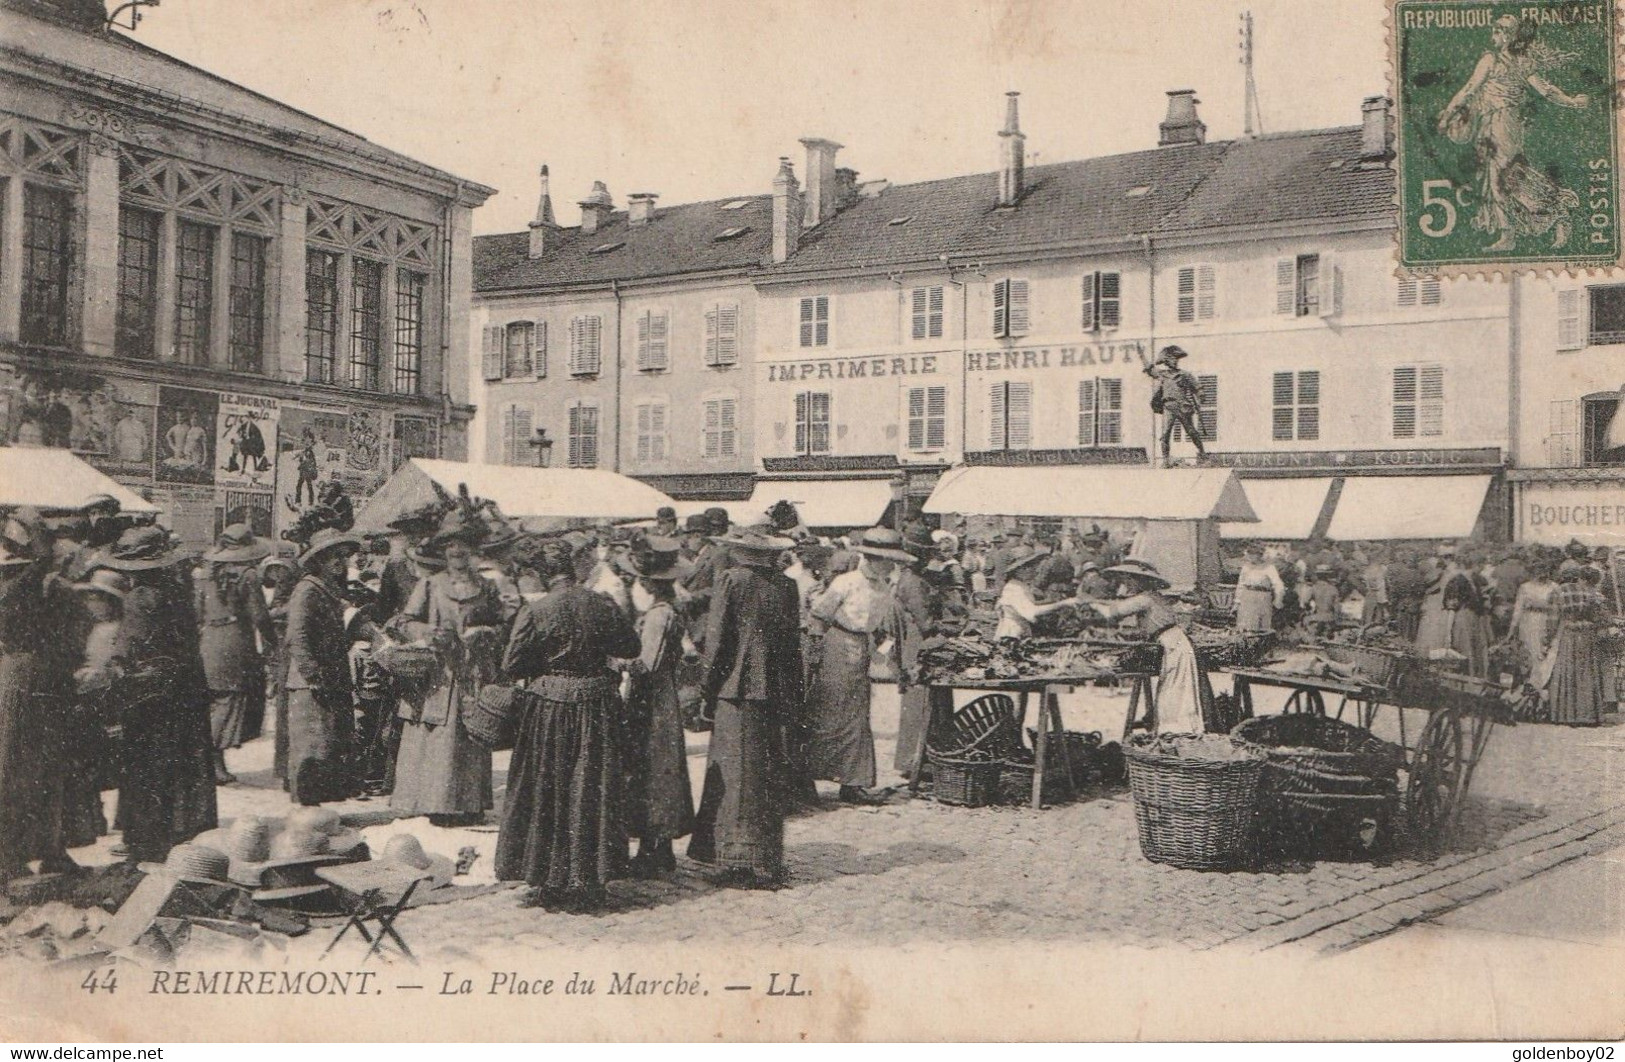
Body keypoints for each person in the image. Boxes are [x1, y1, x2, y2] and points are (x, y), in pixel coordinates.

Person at [499, 537, 641, 910]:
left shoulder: (536, 609)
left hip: (550, 707)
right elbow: (630, 647)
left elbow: (512, 664)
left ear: (545, 574)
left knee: (549, 787)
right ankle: (590, 877)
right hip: (597, 705)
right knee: (593, 785)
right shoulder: (602, 604)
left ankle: (550, 877)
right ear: (575, 569)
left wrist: (546, 669)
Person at [93, 525, 217, 863]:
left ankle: (145, 838)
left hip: (150, 693)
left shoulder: (139, 599)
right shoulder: (177, 591)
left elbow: (128, 649)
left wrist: (113, 669)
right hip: (184, 687)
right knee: (179, 763)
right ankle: (178, 830)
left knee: (145, 765)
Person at [687, 529, 803, 888]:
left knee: (735, 772)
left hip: (736, 689)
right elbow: (791, 643)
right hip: (775, 688)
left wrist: (704, 687)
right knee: (767, 774)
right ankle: (767, 857)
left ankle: (735, 860)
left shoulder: (731, 580)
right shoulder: (786, 586)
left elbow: (719, 638)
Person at [1437, 13, 1588, 253]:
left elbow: (1468, 89)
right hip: (1501, 124)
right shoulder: (1522, 61)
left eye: (1497, 32)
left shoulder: (1491, 59)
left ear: (1507, 36)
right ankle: (1511, 233)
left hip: (1500, 123)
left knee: (1504, 178)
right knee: (1502, 177)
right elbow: (1547, 91)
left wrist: (1447, 115)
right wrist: (1572, 101)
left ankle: (1555, 211)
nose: (1493, 37)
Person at [388, 514, 503, 826]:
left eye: (463, 545)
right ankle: (434, 803)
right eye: (451, 546)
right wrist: (427, 632)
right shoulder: (430, 584)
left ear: (473, 551)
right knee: (437, 737)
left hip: (473, 671)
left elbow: (502, 624)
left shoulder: (487, 587)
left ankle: (470, 803)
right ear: (444, 551)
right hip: (438, 674)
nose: (457, 551)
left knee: (472, 735)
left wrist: (486, 633)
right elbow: (404, 621)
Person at [807, 527, 910, 804]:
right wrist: (814, 657)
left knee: (858, 715)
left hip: (862, 648)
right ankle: (808, 780)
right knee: (829, 713)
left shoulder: (884, 587)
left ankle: (853, 782)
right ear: (872, 558)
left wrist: (884, 651)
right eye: (886, 560)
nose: (891, 565)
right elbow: (818, 617)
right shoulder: (846, 582)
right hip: (837, 647)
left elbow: (881, 629)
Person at [618, 539, 696, 877]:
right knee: (657, 769)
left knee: (652, 769)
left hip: (651, 700)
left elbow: (645, 665)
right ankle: (656, 847)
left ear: (649, 582)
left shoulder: (658, 617)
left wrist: (617, 661)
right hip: (661, 695)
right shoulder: (666, 610)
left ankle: (654, 850)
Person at [284, 528, 363, 806]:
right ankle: (306, 812)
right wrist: (313, 674)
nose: (340, 563)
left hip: (332, 677)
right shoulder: (307, 590)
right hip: (311, 683)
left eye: (344, 557)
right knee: (311, 748)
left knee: (329, 744)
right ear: (319, 561)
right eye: (333, 557)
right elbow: (297, 637)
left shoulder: (329, 590)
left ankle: (320, 812)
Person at [1091, 563, 1213, 733]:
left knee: (1175, 695)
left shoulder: (1145, 599)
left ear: (1139, 581)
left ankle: (1178, 734)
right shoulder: (1151, 596)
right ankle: (1172, 732)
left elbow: (1112, 612)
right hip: (1173, 642)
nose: (1126, 584)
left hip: (1173, 645)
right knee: (1174, 692)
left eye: (1129, 580)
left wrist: (1087, 603)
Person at [195, 525, 275, 784]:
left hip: (209, 639)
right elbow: (259, 615)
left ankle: (212, 762)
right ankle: (213, 763)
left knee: (214, 701)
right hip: (235, 640)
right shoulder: (248, 575)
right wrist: (272, 641)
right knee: (230, 702)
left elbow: (197, 613)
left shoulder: (205, 574)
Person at [1544, 561, 1608, 725]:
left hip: (1569, 633)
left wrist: (1547, 640)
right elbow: (1602, 618)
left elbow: (1552, 620)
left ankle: (1566, 714)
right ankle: (1588, 714)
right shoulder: (1593, 594)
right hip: (1587, 635)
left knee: (1567, 671)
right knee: (1586, 672)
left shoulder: (1558, 592)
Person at [993, 548, 1076, 640]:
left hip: (1020, 633)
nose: (1035, 570)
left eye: (1035, 566)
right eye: (1031, 567)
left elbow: (1030, 604)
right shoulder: (1013, 589)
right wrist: (1062, 604)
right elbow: (1032, 613)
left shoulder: (1021, 585)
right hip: (1011, 635)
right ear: (1020, 570)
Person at [1145, 345, 1206, 462]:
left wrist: (1201, 395)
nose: (1175, 361)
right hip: (1168, 407)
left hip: (1183, 406)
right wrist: (1142, 355)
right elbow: (1150, 370)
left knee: (1191, 431)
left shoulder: (1184, 375)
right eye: (1172, 359)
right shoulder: (1162, 374)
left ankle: (1203, 453)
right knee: (1165, 434)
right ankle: (1166, 459)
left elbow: (1197, 386)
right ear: (1167, 361)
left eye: (1176, 359)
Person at [1506, 554, 1557, 684]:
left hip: (1548, 621)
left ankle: (1543, 686)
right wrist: (1511, 631)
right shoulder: (1525, 587)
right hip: (1530, 622)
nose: (1542, 574)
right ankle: (1530, 686)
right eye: (1539, 570)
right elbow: (1518, 610)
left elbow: (1558, 608)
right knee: (1531, 654)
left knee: (1546, 654)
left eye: (1545, 570)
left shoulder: (1554, 587)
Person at [1235, 543, 1286, 633]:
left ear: (1259, 555)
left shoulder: (1269, 568)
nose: (1250, 557)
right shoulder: (1246, 567)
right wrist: (1237, 601)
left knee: (1260, 626)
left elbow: (1278, 584)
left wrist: (1278, 600)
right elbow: (1240, 584)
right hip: (1247, 597)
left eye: (1253, 554)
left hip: (1262, 597)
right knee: (1245, 625)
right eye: (1249, 554)